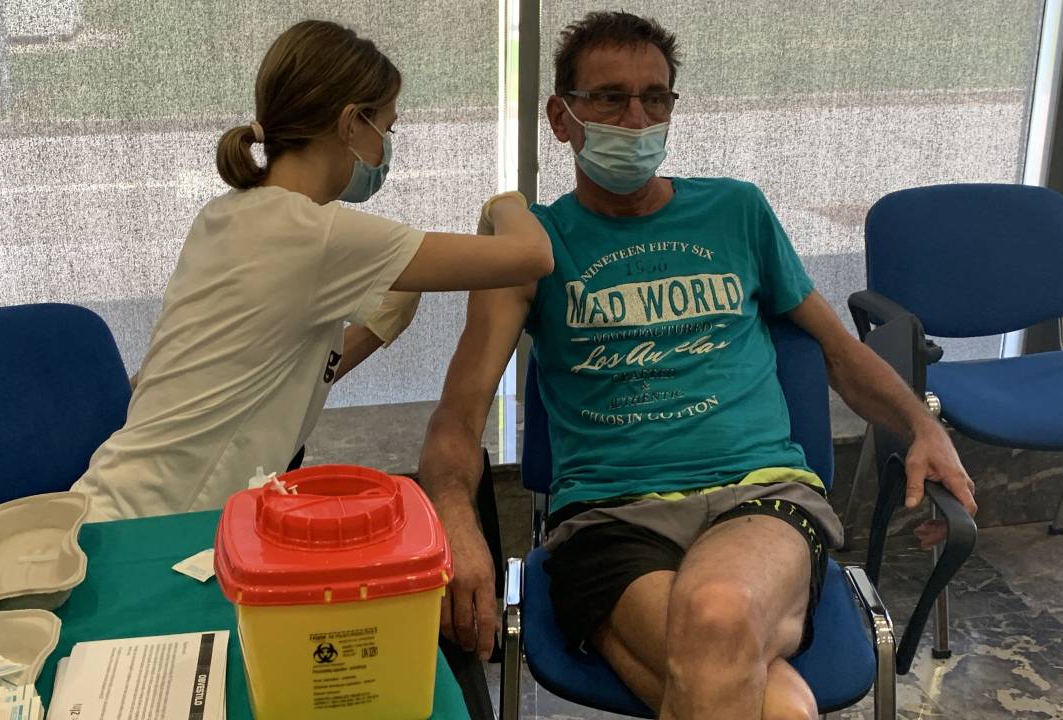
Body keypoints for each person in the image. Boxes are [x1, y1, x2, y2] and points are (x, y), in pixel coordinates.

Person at [418, 11, 977, 720]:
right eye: (610, 98)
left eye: (655, 98)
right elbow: (457, 419)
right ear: (561, 118)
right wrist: (455, 523)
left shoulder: (736, 211)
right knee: (778, 705)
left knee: (716, 614)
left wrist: (922, 427)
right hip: (610, 518)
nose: (637, 119)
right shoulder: (537, 247)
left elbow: (839, 351)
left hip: (760, 496)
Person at [73, 20, 552, 521]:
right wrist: (506, 203)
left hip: (114, 503)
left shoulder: (227, 212)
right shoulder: (316, 233)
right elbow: (532, 255)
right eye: (386, 130)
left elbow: (271, 372)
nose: (386, 150)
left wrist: (377, 329)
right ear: (350, 123)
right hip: (159, 523)